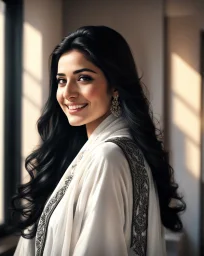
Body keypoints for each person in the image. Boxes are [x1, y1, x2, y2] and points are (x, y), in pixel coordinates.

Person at [11, 25, 185, 256]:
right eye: (61, 81)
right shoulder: (95, 151)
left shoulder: (108, 156)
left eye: (83, 78)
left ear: (115, 86)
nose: (68, 93)